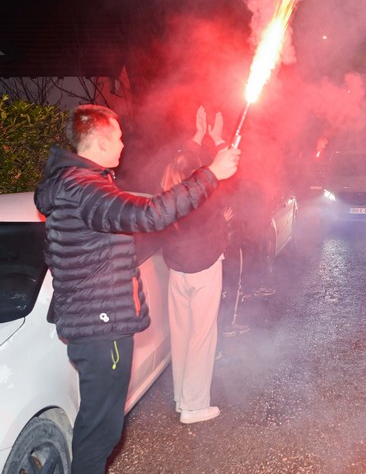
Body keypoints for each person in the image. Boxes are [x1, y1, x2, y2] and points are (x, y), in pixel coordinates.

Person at [34, 104, 240, 473]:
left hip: (92, 321)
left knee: (98, 426)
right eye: (118, 136)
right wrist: (211, 174)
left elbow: (65, 246)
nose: (124, 143)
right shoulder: (86, 189)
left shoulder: (72, 185)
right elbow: (150, 215)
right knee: (101, 431)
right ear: (99, 141)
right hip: (102, 325)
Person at [160, 106, 231, 424]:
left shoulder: (171, 183)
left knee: (182, 333)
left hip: (178, 268)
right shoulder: (202, 193)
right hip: (203, 266)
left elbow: (187, 166)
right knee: (202, 336)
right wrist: (215, 142)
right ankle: (194, 406)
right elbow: (223, 177)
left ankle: (181, 398)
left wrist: (199, 136)